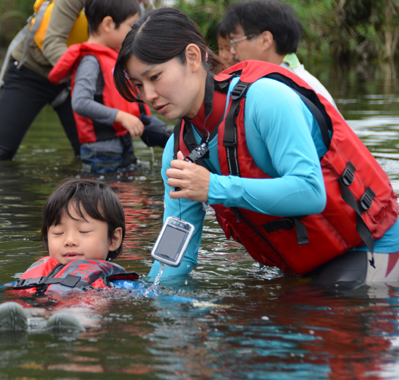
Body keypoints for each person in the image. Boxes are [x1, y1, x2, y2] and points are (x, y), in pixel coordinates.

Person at [113, 8, 399, 288]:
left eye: (155, 77)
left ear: (192, 57)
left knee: (316, 307)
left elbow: (311, 193)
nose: (148, 96)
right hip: (304, 265)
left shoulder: (266, 100)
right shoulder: (177, 152)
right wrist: (146, 293)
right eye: (138, 84)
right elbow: (176, 256)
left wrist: (214, 187)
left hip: (372, 242)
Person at [0, 0, 155, 162]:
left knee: (97, 152)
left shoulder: (139, 5)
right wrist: (92, 75)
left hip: (82, 79)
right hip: (33, 72)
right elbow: (52, 42)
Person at [0, 178, 139, 332]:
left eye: (84, 231)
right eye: (58, 233)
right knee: (16, 309)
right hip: (39, 309)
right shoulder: (40, 275)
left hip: (83, 315)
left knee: (79, 312)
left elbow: (149, 295)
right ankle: (14, 321)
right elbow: (2, 290)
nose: (69, 241)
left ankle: (69, 325)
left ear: (114, 238)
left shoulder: (116, 283)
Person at [48, 0, 170, 173]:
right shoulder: (90, 60)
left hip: (122, 143)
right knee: (106, 197)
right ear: (108, 24)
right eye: (131, 26)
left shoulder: (114, 57)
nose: (135, 34)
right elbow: (80, 102)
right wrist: (121, 117)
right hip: (101, 153)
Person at [217, 0, 338, 108]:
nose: (232, 52)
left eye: (235, 42)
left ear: (265, 40)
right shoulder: (288, 80)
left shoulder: (292, 88)